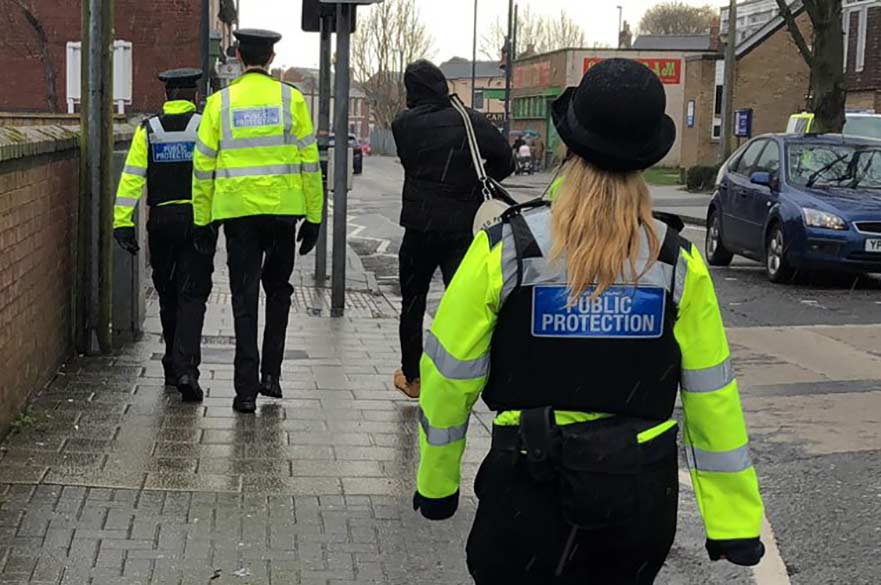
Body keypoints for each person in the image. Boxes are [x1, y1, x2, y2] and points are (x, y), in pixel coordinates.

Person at [413, 59, 765, 584]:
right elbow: (711, 397)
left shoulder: (507, 248)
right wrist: (733, 522)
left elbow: (448, 377)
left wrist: (438, 483)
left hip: (526, 492)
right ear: (646, 158)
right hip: (635, 502)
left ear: (568, 148)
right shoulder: (676, 263)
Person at [192, 29, 323, 414]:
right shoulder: (292, 100)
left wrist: (203, 221)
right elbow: (309, 164)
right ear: (270, 58)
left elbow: (203, 167)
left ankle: (245, 391)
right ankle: (272, 375)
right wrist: (313, 218)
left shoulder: (220, 103)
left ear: (236, 54)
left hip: (238, 216)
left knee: (244, 298)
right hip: (283, 214)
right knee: (278, 291)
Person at [391, 60, 514, 399]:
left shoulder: (403, 125)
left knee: (412, 304)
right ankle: (466, 371)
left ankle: (413, 377)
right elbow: (506, 160)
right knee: (463, 303)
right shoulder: (469, 122)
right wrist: (473, 184)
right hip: (462, 228)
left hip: (418, 228)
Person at [113, 68, 213, 403]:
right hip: (197, 220)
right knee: (193, 295)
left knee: (167, 292)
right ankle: (187, 368)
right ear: (194, 96)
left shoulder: (149, 129)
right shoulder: (203, 126)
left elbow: (131, 178)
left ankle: (172, 363)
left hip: (161, 221)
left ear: (166, 97)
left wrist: (122, 223)